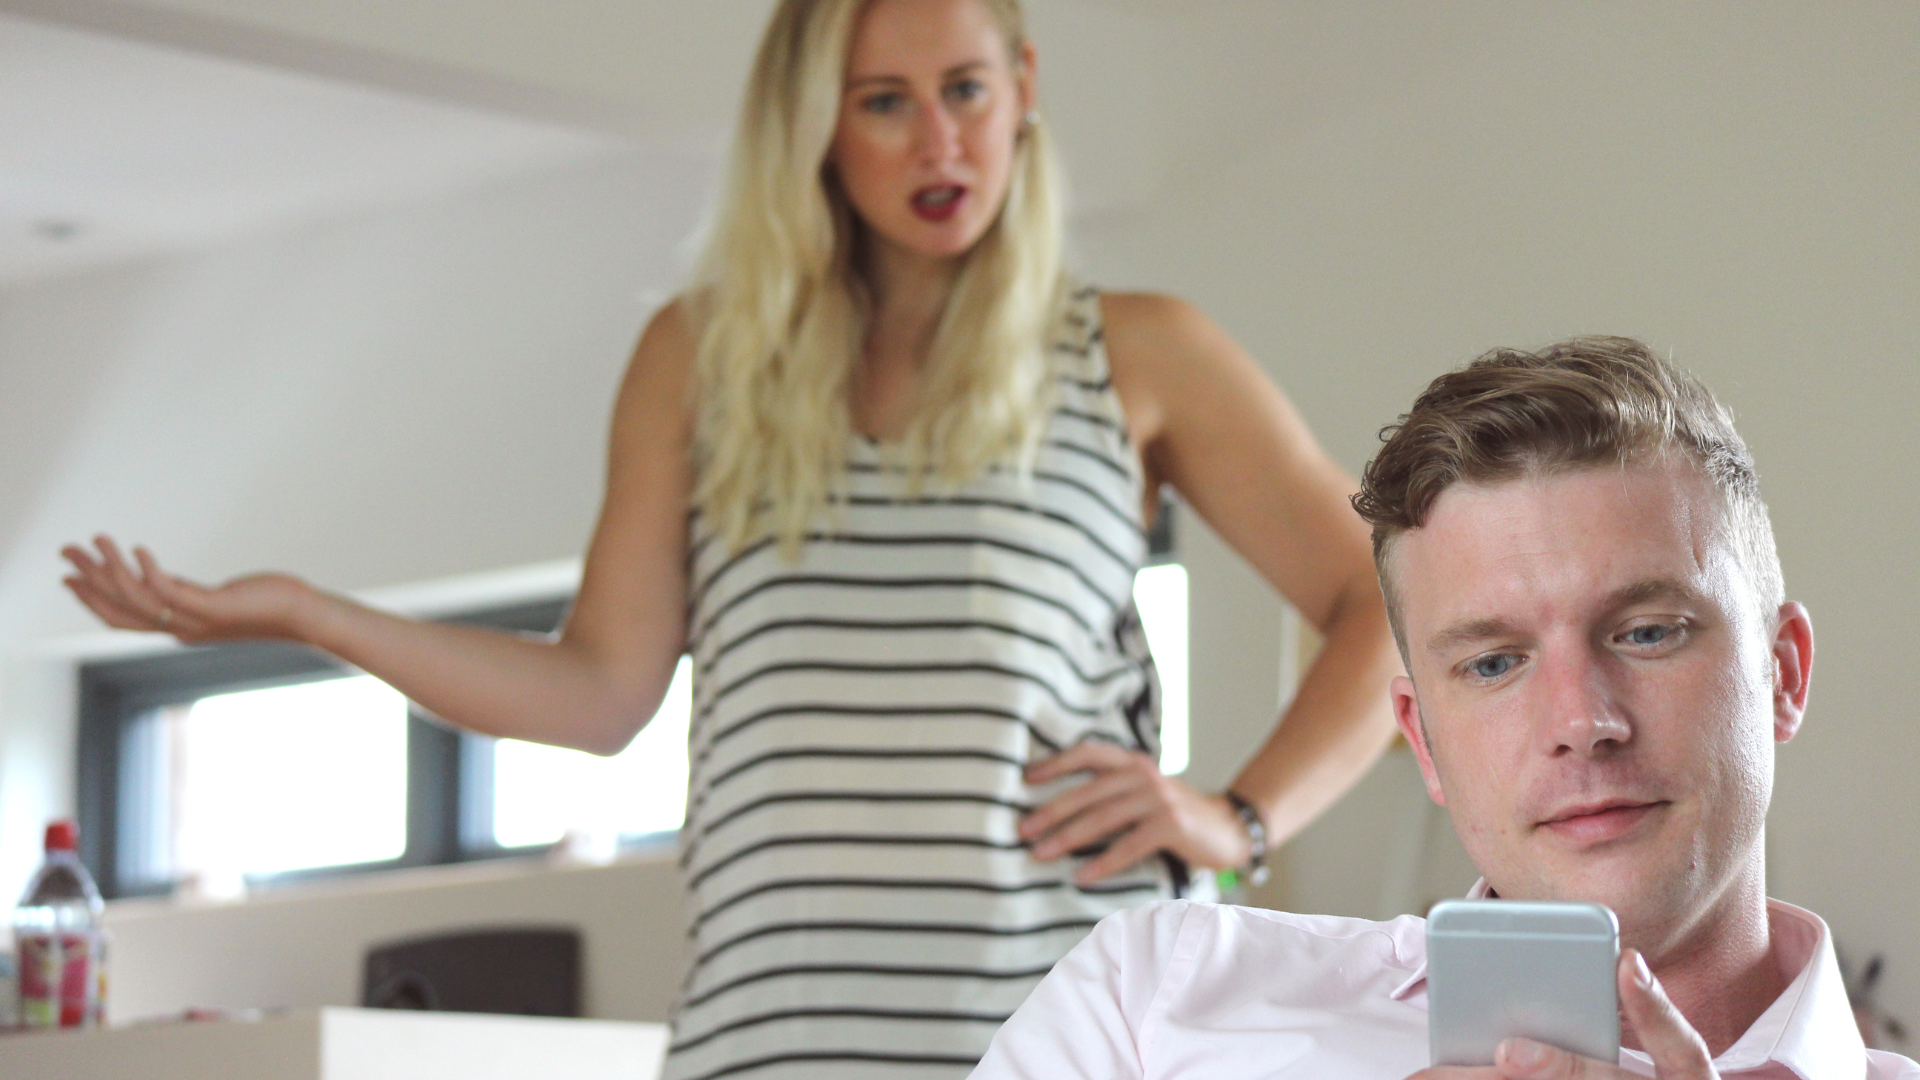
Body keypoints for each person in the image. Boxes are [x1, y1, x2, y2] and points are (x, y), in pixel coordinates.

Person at [61, 0, 1400, 1076]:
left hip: (1054, 1029)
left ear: (1026, 86)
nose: (939, 141)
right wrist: (314, 615)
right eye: (886, 102)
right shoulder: (700, 359)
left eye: (966, 90)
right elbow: (595, 693)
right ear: (818, 126)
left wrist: (1234, 815)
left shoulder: (1140, 350)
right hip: (772, 1034)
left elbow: (1382, 594)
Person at [968, 337, 1920, 1080]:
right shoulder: (1159, 994)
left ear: (1783, 672)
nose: (1581, 721)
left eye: (1647, 632)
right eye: (1497, 662)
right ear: (1421, 740)